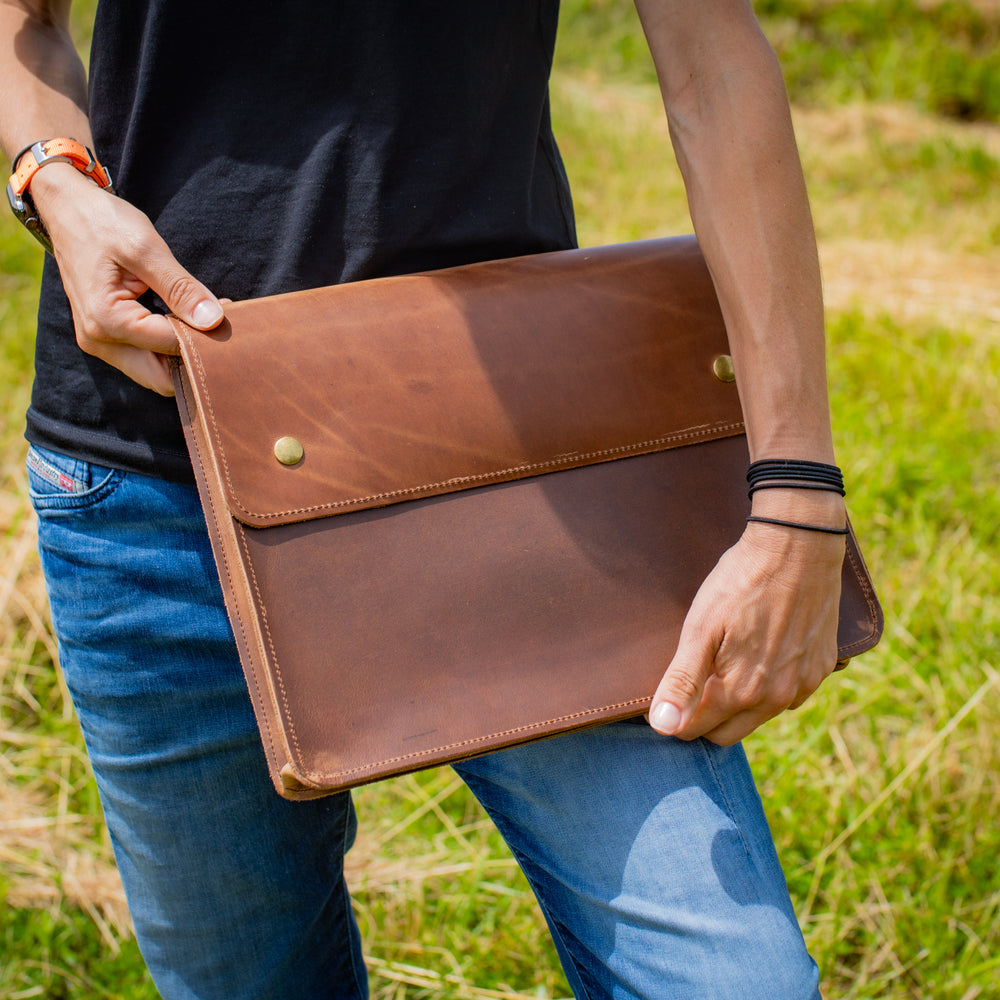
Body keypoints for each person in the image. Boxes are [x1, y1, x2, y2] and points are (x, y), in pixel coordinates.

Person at [1, 2, 847, 997]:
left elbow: (712, 66)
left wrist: (797, 490)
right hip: (152, 487)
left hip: (514, 482)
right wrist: (51, 177)